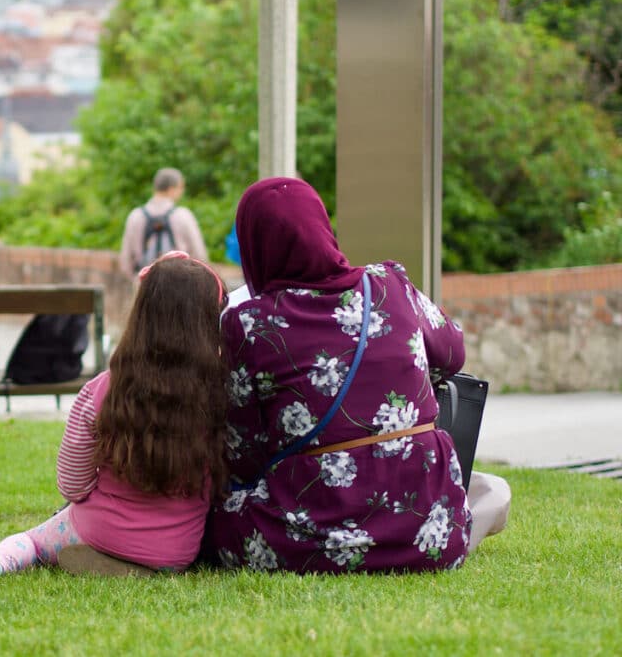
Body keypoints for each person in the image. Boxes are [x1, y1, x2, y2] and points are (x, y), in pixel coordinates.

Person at [204, 177, 510, 574]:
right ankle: (449, 537)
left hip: (308, 537)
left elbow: (243, 455)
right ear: (323, 228)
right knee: (494, 490)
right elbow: (453, 352)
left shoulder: (248, 325)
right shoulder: (390, 285)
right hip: (426, 527)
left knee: (207, 518)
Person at [0, 251, 229, 578]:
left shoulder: (102, 391)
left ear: (140, 316)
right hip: (178, 550)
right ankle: (138, 564)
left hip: (100, 532)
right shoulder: (224, 393)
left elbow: (72, 485)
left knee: (32, 539)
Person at [118, 167, 208, 276]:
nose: (182, 191)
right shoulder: (183, 216)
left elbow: (125, 259)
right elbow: (200, 255)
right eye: (180, 187)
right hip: (179, 283)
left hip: (144, 282)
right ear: (171, 189)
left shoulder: (135, 216)